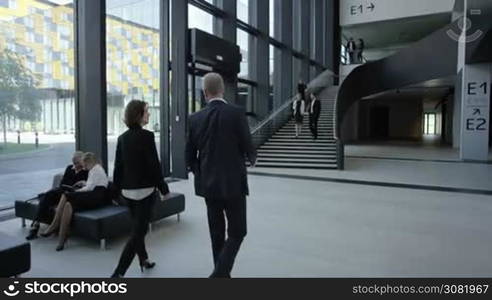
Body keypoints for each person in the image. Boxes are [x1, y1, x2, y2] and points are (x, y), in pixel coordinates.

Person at [185, 72, 256, 278]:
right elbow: (247, 145)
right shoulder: (236, 113)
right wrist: (252, 158)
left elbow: (189, 156)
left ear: (205, 93)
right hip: (234, 184)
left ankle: (221, 274)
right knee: (238, 231)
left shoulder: (195, 118)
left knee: (216, 234)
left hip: (209, 186)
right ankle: (219, 276)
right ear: (222, 89)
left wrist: (201, 174)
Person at [111, 100, 171, 278]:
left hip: (127, 193)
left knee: (137, 229)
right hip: (144, 192)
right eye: (146, 111)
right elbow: (154, 165)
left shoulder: (122, 138)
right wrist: (164, 189)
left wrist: (115, 192)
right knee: (139, 233)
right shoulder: (147, 136)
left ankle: (143, 259)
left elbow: (118, 167)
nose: (149, 114)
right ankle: (118, 273)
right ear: (138, 115)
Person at [41, 152, 108, 251]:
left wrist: (76, 192)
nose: (84, 168)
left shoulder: (95, 170)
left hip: (95, 197)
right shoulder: (95, 169)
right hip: (94, 196)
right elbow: (91, 184)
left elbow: (90, 188)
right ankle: (62, 239)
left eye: (85, 165)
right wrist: (84, 183)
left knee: (66, 195)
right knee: (68, 205)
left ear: (89, 162)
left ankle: (54, 225)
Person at [26, 151, 88, 240]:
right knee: (47, 196)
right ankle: (36, 224)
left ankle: (35, 226)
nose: (75, 164)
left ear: (82, 161)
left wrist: (76, 185)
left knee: (45, 197)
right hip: (62, 190)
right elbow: (63, 183)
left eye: (77, 162)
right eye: (74, 162)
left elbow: (84, 186)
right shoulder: (69, 168)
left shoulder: (86, 171)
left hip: (72, 194)